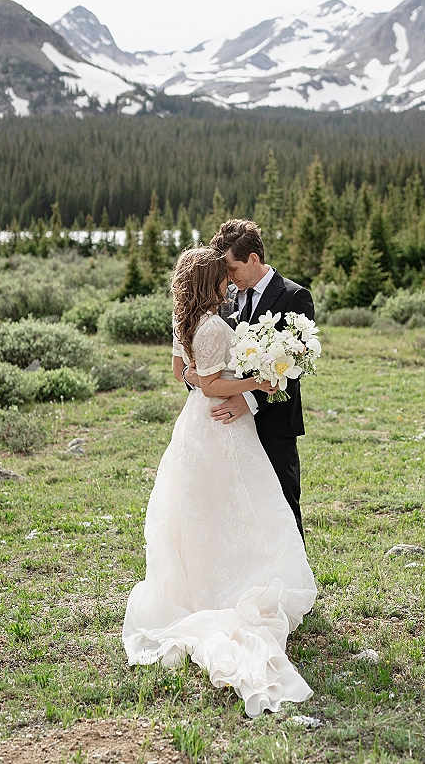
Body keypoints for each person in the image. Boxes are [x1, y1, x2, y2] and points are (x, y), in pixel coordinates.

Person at [122, 247, 316, 718]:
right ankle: (231, 586)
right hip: (220, 423)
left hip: (203, 424)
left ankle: (215, 580)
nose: (230, 283)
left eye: (232, 273)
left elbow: (184, 374)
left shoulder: (190, 318)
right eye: (222, 276)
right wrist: (254, 384)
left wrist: (214, 377)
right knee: (232, 503)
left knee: (212, 507)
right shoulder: (213, 322)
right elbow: (209, 384)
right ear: (212, 280)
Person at [185, 220, 313, 540]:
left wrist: (249, 399)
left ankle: (291, 583)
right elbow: (208, 351)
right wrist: (195, 378)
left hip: (273, 422)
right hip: (226, 428)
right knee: (235, 509)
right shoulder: (223, 298)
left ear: (253, 259)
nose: (228, 278)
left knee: (280, 504)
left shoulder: (294, 297)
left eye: (232, 268)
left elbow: (293, 368)